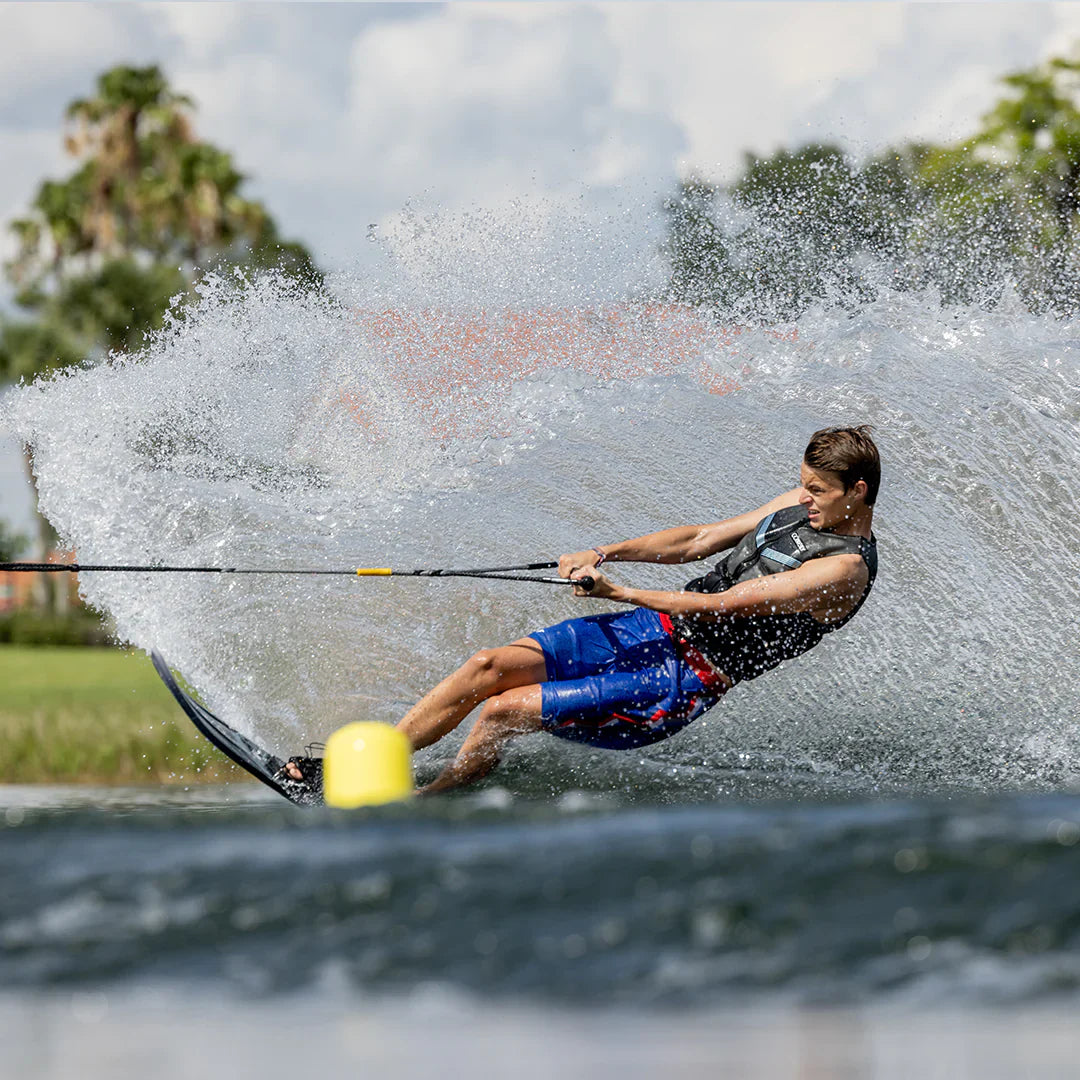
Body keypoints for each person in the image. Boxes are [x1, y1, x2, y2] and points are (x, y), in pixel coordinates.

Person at [284, 425, 879, 796]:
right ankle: (346, 774)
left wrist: (618, 591)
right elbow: (697, 541)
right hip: (655, 626)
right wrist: (605, 551)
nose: (804, 497)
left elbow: (721, 604)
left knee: (502, 712)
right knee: (487, 667)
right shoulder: (797, 504)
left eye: (818, 491)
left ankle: (419, 809)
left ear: (857, 492)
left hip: (682, 677)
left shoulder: (843, 569)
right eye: (802, 485)